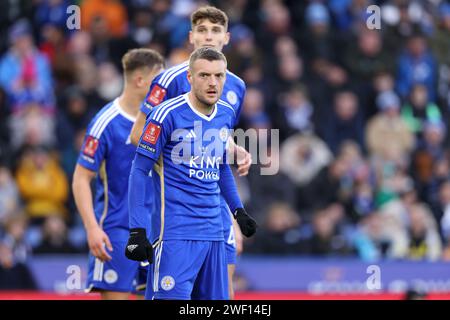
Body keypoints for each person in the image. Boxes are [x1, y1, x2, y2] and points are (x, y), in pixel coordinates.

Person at [129, 6, 251, 300]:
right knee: (168, 288)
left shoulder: (235, 87)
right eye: (202, 30)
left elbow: (215, 145)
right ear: (191, 36)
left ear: (227, 37)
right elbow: (138, 137)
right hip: (175, 209)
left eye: (215, 30)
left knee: (223, 287)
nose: (209, 36)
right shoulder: (170, 81)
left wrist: (234, 150)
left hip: (214, 208)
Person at [72, 49, 164, 300]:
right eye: (159, 80)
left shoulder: (163, 120)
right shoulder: (106, 122)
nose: (163, 88)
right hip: (118, 232)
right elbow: (81, 177)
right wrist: (91, 228)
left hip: (158, 231)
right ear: (140, 81)